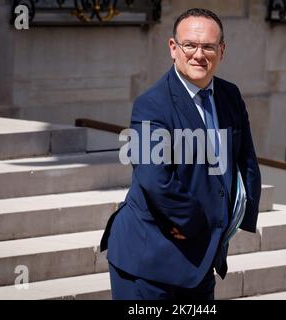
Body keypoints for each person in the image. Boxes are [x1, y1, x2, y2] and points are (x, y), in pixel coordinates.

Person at [100, 7, 261, 300]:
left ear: (222, 51)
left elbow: (245, 160)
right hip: (149, 260)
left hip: (202, 260)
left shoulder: (230, 95)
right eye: (190, 45)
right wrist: (199, 223)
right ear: (173, 48)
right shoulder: (152, 104)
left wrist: (239, 219)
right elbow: (154, 179)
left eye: (209, 46)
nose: (199, 54)